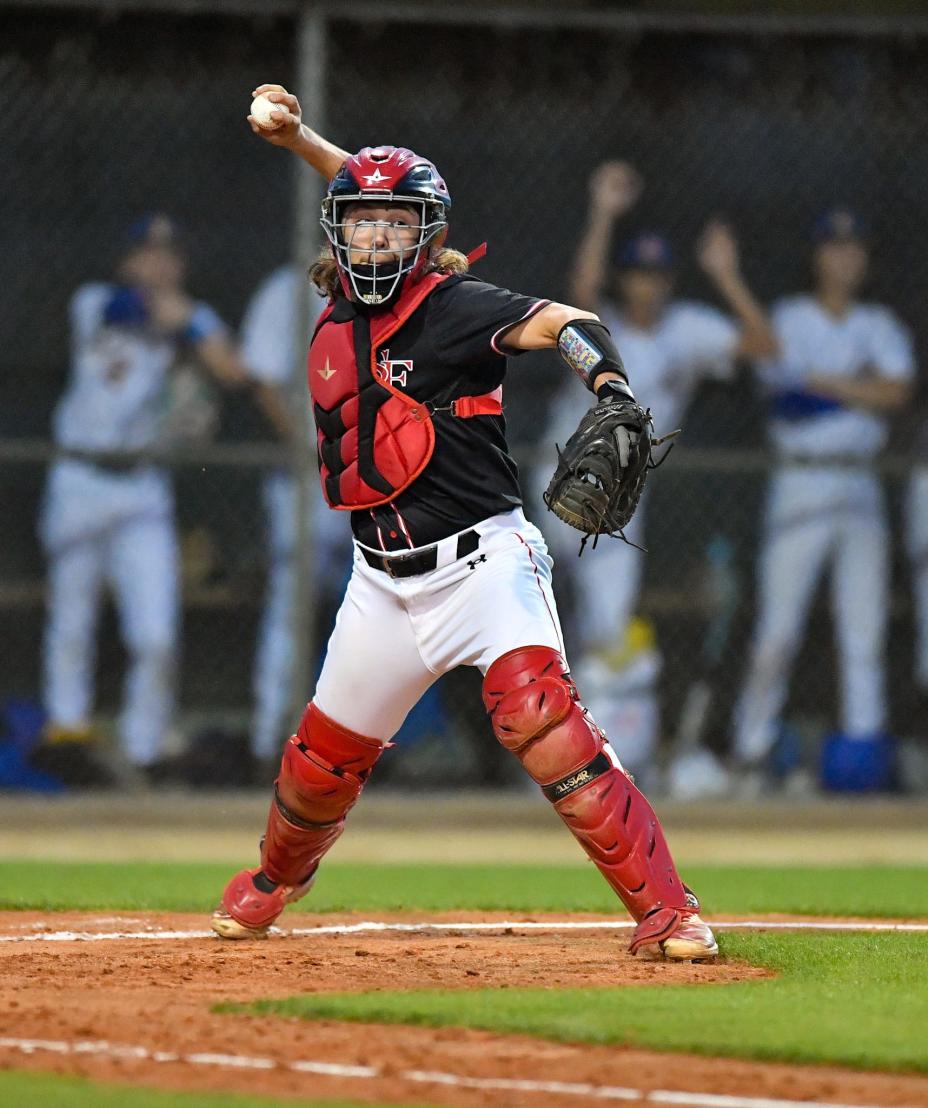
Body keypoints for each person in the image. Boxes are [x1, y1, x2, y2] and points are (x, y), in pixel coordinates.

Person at [210, 83, 719, 962]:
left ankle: (671, 912)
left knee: (541, 719)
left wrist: (609, 384)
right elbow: (365, 185)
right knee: (319, 765)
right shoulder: (338, 310)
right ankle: (275, 879)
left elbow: (568, 321)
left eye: (395, 225)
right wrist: (300, 142)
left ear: (425, 237)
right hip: (380, 581)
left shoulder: (454, 309)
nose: (375, 234)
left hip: (484, 564)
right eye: (361, 222)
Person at [539, 161, 776, 661]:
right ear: (623, 281)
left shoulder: (685, 328)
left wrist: (726, 275)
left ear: (670, 281)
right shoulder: (598, 327)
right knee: (556, 601)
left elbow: (764, 345)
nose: (648, 285)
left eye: (657, 275)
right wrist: (603, 213)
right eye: (638, 275)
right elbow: (580, 293)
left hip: (624, 485)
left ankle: (591, 717)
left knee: (607, 621)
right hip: (564, 467)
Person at [40, 214, 249, 775]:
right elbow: (134, 311)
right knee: (71, 620)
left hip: (141, 492)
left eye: (170, 255)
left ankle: (144, 748)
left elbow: (233, 373)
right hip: (79, 479)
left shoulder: (189, 323)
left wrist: (197, 321)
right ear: (126, 262)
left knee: (156, 633)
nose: (159, 265)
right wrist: (190, 320)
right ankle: (67, 736)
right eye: (148, 254)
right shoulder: (94, 302)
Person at [733, 208, 914, 791]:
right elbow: (783, 393)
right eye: (835, 248)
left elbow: (897, 391)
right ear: (818, 256)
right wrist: (855, 385)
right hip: (802, 479)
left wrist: (819, 380)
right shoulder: (789, 316)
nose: (845, 257)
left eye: (854, 248)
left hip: (860, 483)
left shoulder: (881, 322)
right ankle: (750, 750)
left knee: (864, 631)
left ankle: (865, 758)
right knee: (779, 630)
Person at [240, 264, 351, 766]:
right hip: (306, 478)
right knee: (290, 609)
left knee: (377, 614)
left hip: (372, 478)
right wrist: (313, 448)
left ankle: (359, 746)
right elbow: (262, 380)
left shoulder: (392, 288)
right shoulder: (285, 290)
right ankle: (272, 739)